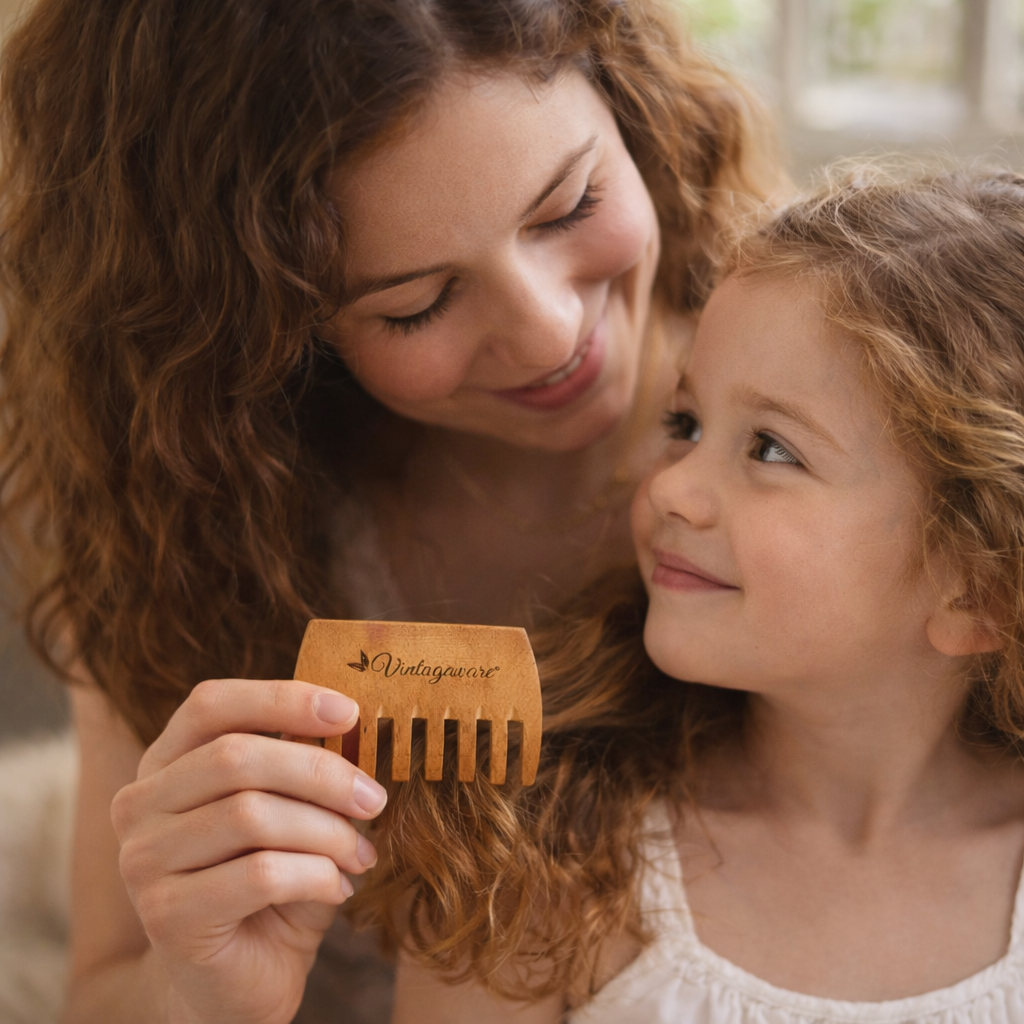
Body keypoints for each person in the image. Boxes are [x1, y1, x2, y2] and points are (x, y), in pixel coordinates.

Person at [0, 0, 779, 1021]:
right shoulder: (192, 523)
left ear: (626, 100)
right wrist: (204, 990)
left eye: (569, 202)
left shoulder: (844, 405)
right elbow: (102, 991)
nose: (548, 335)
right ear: (270, 329)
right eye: (414, 303)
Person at [369, 165, 1024, 1023]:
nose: (672, 488)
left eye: (773, 451)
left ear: (980, 590)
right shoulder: (527, 860)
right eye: (686, 425)